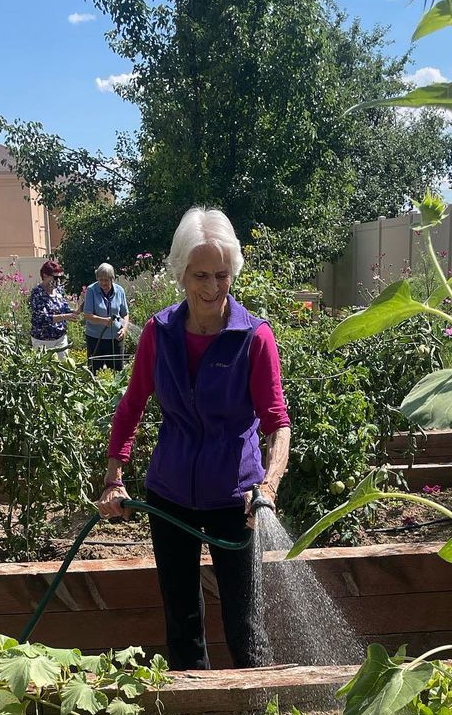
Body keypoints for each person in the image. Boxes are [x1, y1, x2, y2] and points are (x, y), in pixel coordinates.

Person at [97, 206, 291, 671]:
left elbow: (276, 422)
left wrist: (267, 487)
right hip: (170, 494)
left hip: (236, 498)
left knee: (245, 620)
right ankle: (193, 711)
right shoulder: (158, 333)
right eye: (200, 275)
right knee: (181, 615)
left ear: (233, 273)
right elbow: (132, 406)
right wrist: (113, 477)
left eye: (222, 275)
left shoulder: (254, 337)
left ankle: (259, 705)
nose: (211, 287)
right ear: (181, 274)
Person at [82, 262, 130, 372]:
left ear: (112, 279)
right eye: (101, 280)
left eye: (106, 280)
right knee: (94, 371)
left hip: (115, 339)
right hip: (95, 339)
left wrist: (124, 329)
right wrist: (103, 321)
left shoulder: (120, 291)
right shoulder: (91, 290)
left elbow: (125, 314)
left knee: (117, 372)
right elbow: (87, 315)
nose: (103, 283)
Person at [30, 259, 77, 358]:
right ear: (45, 276)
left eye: (61, 277)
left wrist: (75, 312)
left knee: (64, 367)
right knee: (45, 371)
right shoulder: (37, 293)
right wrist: (65, 316)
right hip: (43, 341)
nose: (58, 280)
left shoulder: (59, 290)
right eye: (55, 277)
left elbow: (65, 308)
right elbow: (42, 318)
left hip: (61, 338)